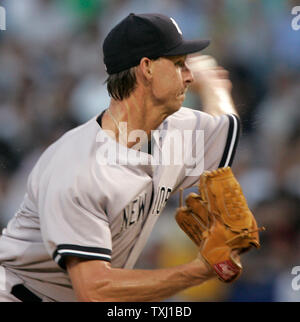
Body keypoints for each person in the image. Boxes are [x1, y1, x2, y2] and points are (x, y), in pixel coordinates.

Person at [0, 13, 240, 302]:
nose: (189, 75)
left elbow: (225, 127)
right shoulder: (80, 167)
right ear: (147, 68)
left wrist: (214, 86)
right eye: (178, 64)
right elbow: (94, 290)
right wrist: (199, 270)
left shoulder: (170, 132)